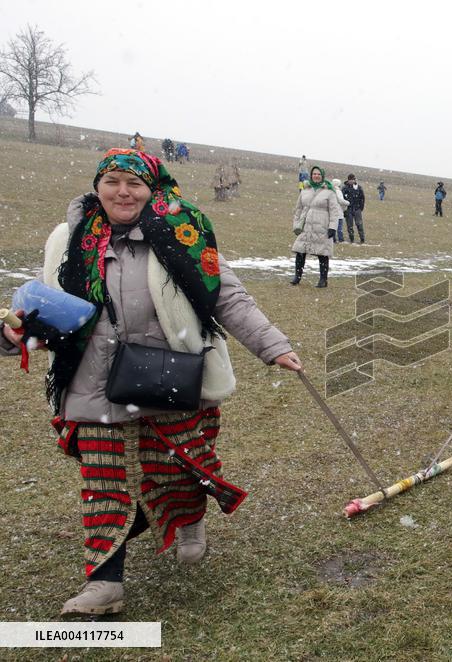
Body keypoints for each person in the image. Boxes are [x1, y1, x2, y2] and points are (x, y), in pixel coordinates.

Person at [0, 148, 302, 616]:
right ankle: (104, 586)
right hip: (91, 383)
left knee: (177, 473)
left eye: (134, 183)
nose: (123, 191)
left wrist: (272, 345)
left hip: (165, 379)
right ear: (98, 187)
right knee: (104, 485)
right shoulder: (67, 239)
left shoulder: (183, 235)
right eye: (113, 181)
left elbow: (229, 298)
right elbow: (45, 310)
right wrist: (12, 333)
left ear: (151, 188)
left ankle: (189, 517)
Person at [291, 166, 342, 286]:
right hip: (306, 226)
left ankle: (323, 280)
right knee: (300, 251)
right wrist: (296, 223)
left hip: (322, 226)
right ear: (311, 175)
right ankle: (297, 277)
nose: (316, 176)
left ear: (322, 176)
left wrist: (333, 227)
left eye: (318, 174)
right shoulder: (305, 190)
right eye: (314, 174)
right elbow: (298, 208)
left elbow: (334, 211)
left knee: (322, 253)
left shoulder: (329, 191)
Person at [341, 174, 366, 243]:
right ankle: (351, 239)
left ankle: (362, 239)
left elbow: (362, 198)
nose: (352, 181)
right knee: (350, 226)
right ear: (348, 180)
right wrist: (344, 210)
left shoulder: (359, 187)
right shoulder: (344, 188)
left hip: (357, 209)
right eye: (351, 179)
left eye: (353, 179)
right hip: (348, 209)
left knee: (359, 224)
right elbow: (342, 199)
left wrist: (361, 207)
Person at [329, 178, 351, 243]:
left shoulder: (331, 191)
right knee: (339, 227)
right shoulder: (338, 191)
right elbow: (341, 201)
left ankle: (333, 239)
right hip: (338, 211)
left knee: (333, 226)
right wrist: (347, 203)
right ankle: (340, 239)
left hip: (333, 211)